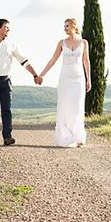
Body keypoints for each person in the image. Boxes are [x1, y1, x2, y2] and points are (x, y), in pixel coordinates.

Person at [0, 19, 42, 146]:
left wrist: (35, 75)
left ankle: (7, 136)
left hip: (5, 81)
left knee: (7, 109)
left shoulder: (12, 45)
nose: (8, 30)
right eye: (6, 27)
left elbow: (24, 61)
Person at [38, 18, 90, 147]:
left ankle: (77, 136)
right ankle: (66, 136)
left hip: (79, 79)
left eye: (67, 26)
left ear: (74, 26)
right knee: (65, 106)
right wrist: (42, 75)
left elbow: (86, 61)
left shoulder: (84, 42)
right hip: (65, 79)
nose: (65, 28)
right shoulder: (62, 43)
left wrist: (89, 79)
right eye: (64, 26)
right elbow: (52, 60)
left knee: (77, 106)